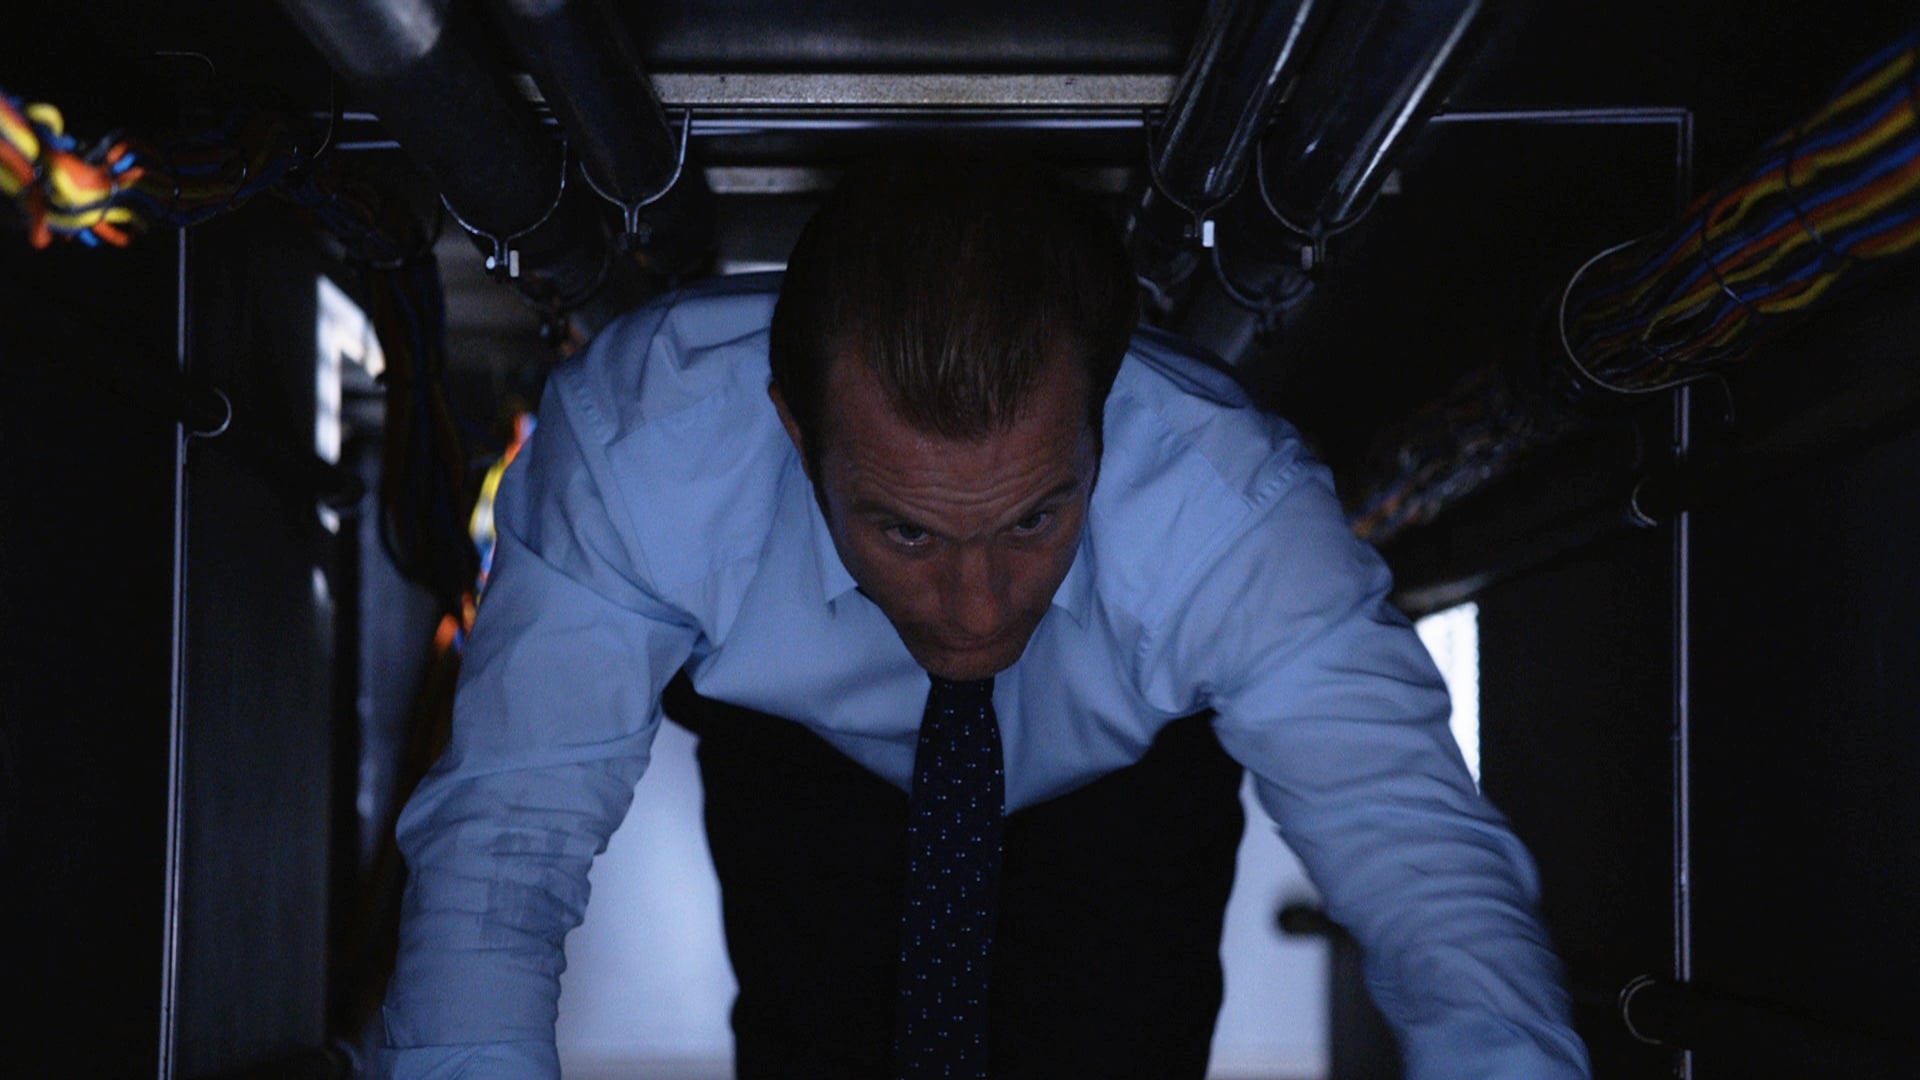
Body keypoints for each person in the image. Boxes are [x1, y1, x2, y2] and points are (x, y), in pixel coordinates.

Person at [379, 151, 1591, 1079]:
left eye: (1032, 519)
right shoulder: (644, 453)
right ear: (796, 429)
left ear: (1107, 422)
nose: (974, 615)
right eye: (905, 531)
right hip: (800, 762)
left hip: (1127, 782)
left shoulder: (1233, 512)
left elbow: (1416, 858)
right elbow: (506, 845)